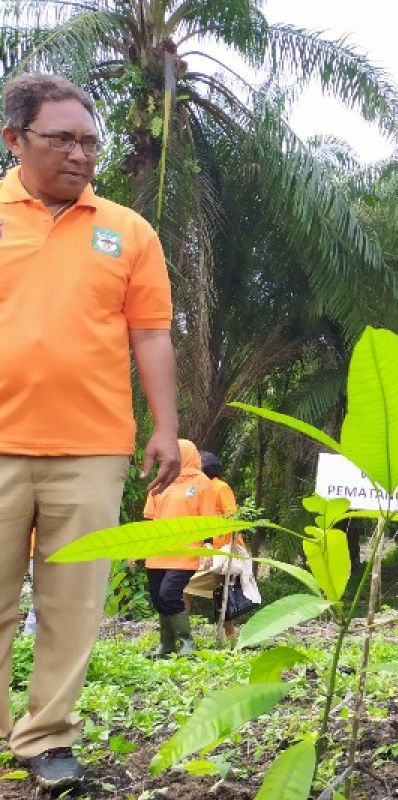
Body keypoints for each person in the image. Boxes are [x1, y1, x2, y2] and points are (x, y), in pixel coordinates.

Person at [0, 73, 178, 791]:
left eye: (89, 141)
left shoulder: (128, 231)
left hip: (93, 447)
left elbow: (152, 334)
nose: (80, 154)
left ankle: (46, 739)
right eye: (62, 139)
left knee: (73, 604)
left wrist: (166, 427)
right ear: (16, 140)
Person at [143, 440, 218, 658]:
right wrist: (137, 549)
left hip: (185, 552)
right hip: (157, 552)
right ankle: (166, 646)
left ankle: (187, 643)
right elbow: (149, 520)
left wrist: (207, 545)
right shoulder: (159, 482)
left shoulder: (201, 482)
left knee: (169, 595)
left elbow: (208, 520)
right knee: (158, 598)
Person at [183, 451, 245, 642]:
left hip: (222, 550)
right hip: (209, 551)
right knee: (221, 593)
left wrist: (213, 546)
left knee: (185, 588)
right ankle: (230, 637)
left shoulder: (220, 487)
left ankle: (181, 636)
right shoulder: (202, 489)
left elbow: (231, 517)